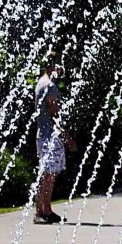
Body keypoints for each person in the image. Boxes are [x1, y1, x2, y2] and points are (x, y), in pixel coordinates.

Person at [34, 62, 74, 225]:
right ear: (52, 66)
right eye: (60, 66)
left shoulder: (41, 83)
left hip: (43, 135)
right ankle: (42, 212)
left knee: (48, 174)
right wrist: (67, 137)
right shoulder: (49, 86)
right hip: (50, 136)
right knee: (48, 175)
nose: (62, 69)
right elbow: (54, 113)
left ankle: (45, 210)